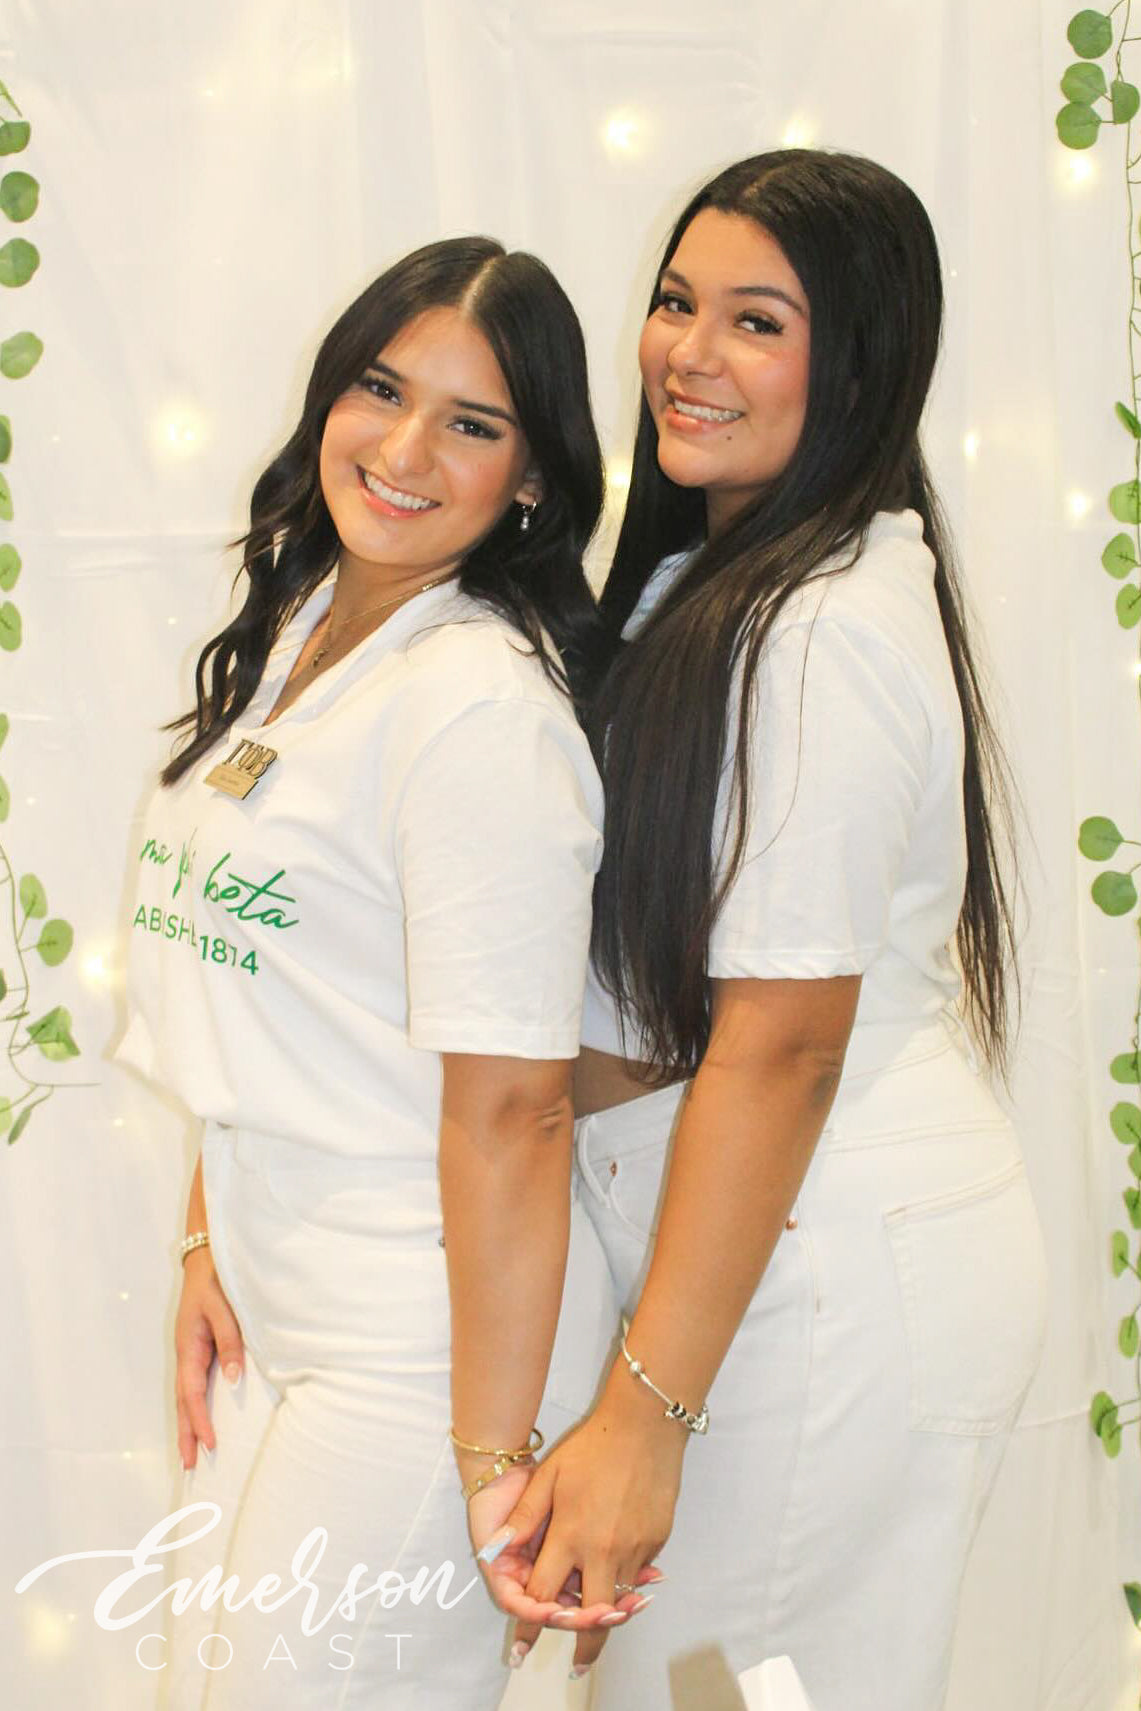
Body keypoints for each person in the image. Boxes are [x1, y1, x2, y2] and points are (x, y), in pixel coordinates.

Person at [494, 151, 1050, 1709]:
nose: (688, 352)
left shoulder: (823, 628)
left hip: (820, 1274)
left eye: (756, 322)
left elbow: (785, 1047)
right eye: (677, 302)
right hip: (755, 1246)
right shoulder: (710, 575)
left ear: (858, 362)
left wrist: (644, 1415)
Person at [116, 235, 633, 1708]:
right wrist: (210, 1233)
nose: (403, 452)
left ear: (530, 478)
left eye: (470, 423)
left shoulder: (479, 711)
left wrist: (490, 1451)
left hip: (425, 1332)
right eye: (382, 390)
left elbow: (517, 1107)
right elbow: (266, 980)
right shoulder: (303, 630)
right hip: (282, 1288)